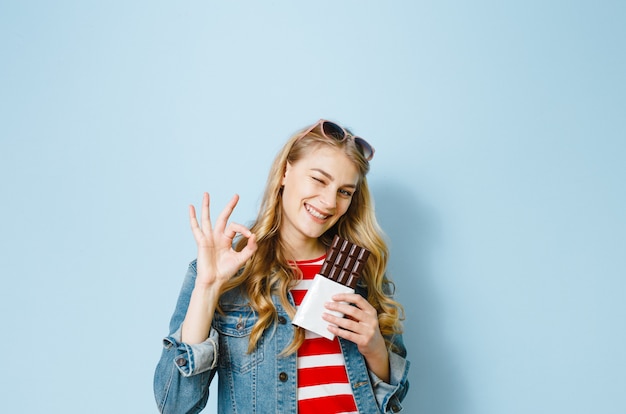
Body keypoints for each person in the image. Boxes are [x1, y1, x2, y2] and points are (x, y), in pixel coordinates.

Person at [153, 119, 410, 413]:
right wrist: (208, 288)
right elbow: (173, 405)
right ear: (286, 171)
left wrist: (375, 348)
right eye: (319, 179)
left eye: (344, 192)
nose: (328, 202)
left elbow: (393, 398)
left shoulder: (360, 273)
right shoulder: (227, 272)